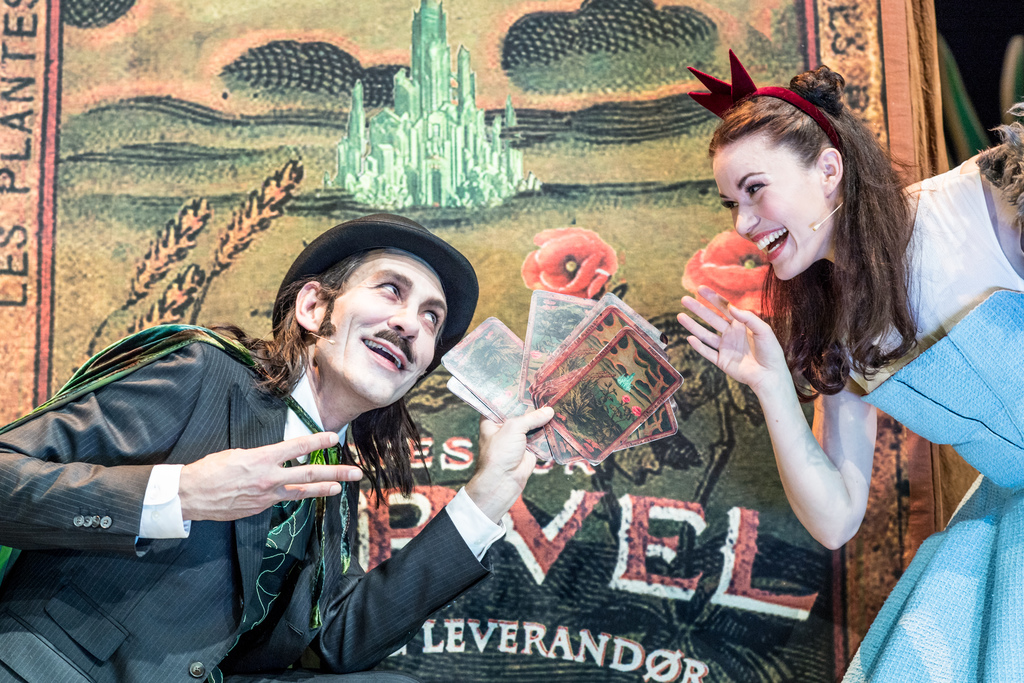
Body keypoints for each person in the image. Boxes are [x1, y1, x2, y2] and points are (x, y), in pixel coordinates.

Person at [0, 213, 553, 682]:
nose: (411, 323)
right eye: (391, 290)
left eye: (432, 318)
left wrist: (486, 496)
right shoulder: (203, 371)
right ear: (313, 307)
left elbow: (340, 640)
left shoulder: (332, 483)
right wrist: (181, 495)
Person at [680, 51, 1024, 680]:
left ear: (828, 169)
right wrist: (771, 387)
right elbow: (836, 517)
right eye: (731, 203)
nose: (743, 224)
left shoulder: (986, 200)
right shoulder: (838, 334)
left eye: (755, 190)